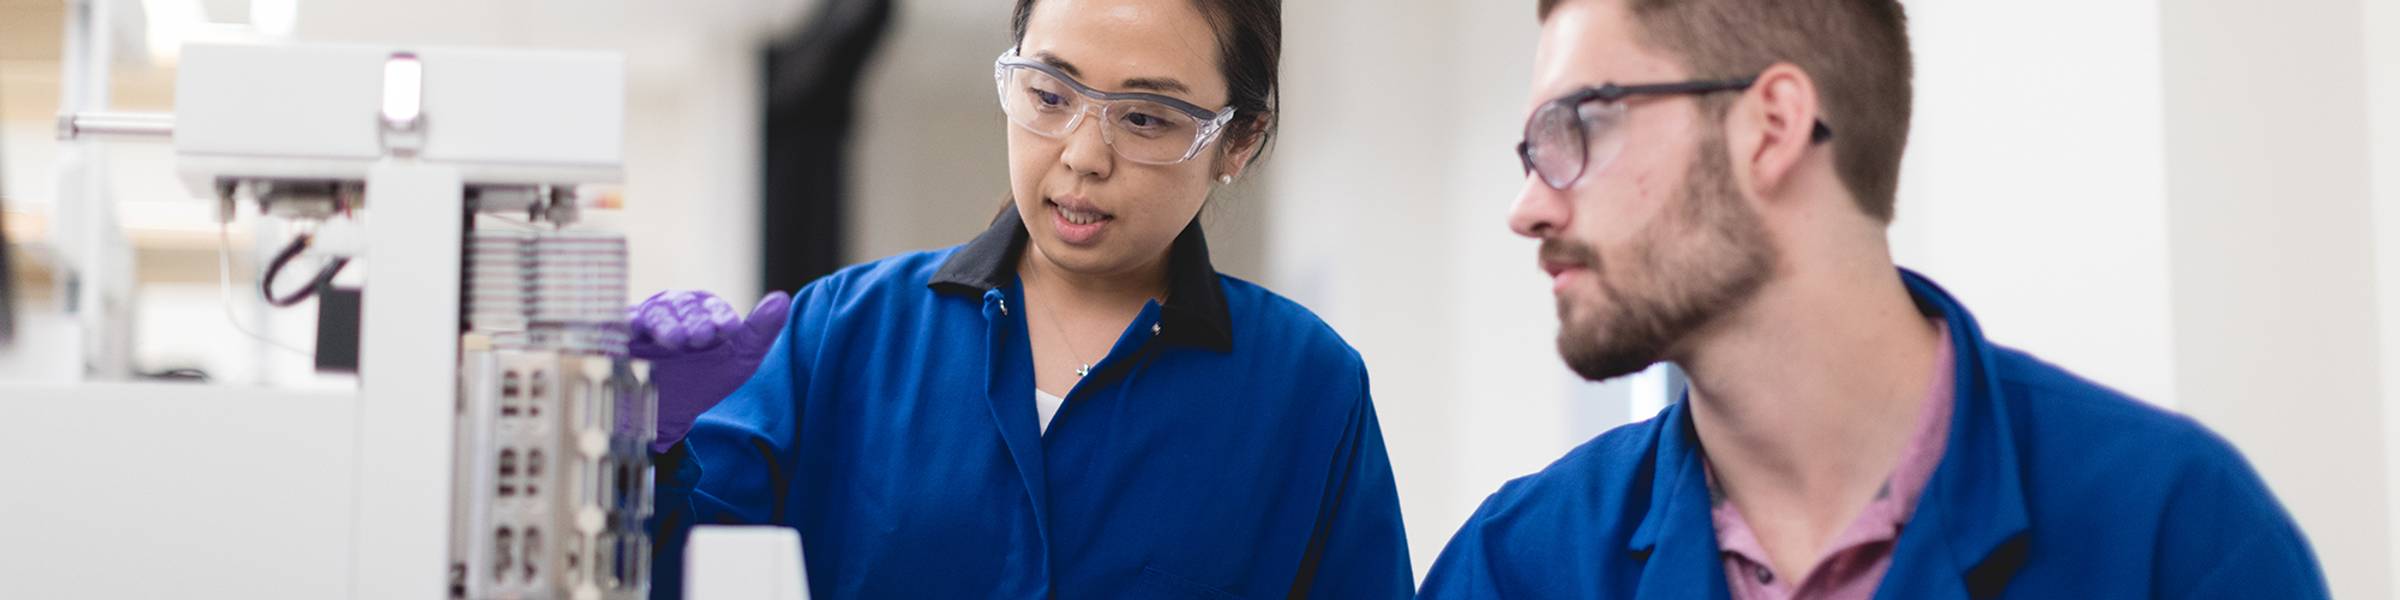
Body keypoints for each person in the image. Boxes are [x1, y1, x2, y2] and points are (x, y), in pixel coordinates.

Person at [1418, 0, 2329, 597]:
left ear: (1771, 126)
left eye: (1577, 125)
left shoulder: (2174, 534)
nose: (1528, 206)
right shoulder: (1514, 568)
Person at [629, 0, 1412, 597]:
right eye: (1048, 94)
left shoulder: (1307, 389)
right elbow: (668, 576)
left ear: (1238, 142)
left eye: (1143, 117)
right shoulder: (843, 332)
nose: (1081, 154)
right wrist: (638, 449)